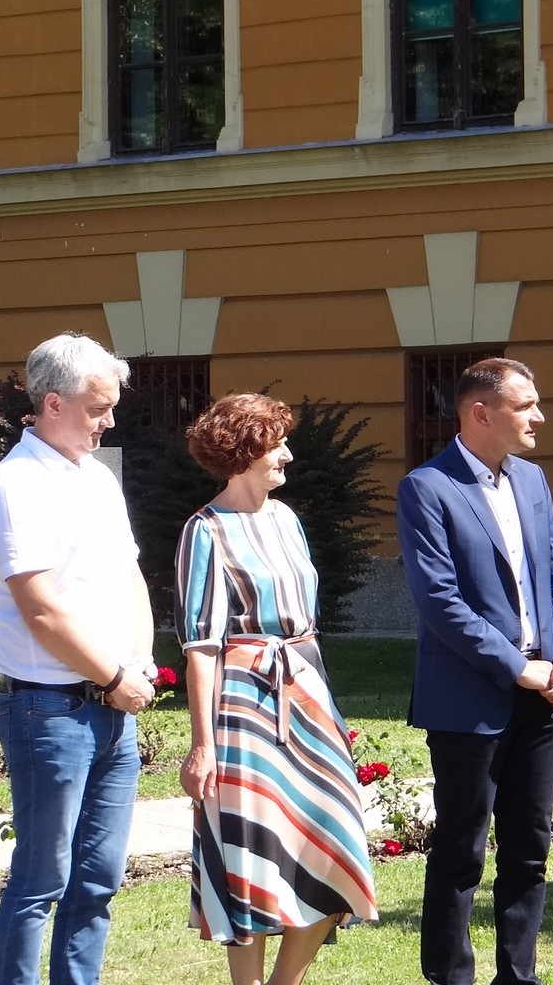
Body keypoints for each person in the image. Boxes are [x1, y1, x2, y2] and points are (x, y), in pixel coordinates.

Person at [175, 393, 377, 985]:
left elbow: (306, 623)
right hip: (244, 703)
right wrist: (203, 746)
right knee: (252, 855)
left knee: (333, 839)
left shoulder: (287, 519)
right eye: (275, 444)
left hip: (307, 694)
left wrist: (324, 704)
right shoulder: (205, 530)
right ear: (242, 453)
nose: (287, 454)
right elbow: (200, 647)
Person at [0, 332, 158, 985]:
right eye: (97, 408)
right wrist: (112, 677)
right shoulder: (15, 484)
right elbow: (42, 610)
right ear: (53, 403)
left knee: (99, 881)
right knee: (40, 881)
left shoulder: (97, 477)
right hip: (49, 710)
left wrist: (139, 662)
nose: (107, 421)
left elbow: (131, 577)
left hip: (112, 707)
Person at [396, 357, 553, 985]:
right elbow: (440, 602)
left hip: (544, 699)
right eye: (525, 405)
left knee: (530, 851)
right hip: (468, 701)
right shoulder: (427, 487)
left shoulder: (531, 480)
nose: (540, 416)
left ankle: (518, 976)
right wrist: (518, 668)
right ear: (481, 413)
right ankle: (451, 977)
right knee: (461, 851)